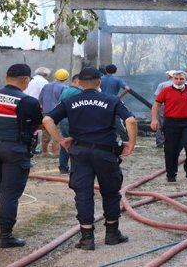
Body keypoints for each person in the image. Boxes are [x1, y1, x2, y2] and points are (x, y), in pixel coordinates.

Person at [43, 67, 137, 250]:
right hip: (105, 153)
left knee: (83, 194)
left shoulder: (70, 100)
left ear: (78, 83)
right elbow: (131, 121)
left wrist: (61, 140)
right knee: (110, 192)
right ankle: (112, 234)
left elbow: (47, 120)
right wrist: (131, 143)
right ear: (99, 82)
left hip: (80, 153)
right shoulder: (112, 100)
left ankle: (87, 238)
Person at [0, 64, 43, 248]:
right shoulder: (28, 101)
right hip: (15, 150)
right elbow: (39, 124)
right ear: (26, 80)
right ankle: (5, 236)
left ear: (6, 77)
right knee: (10, 194)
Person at [150, 71, 187, 182]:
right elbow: (156, 104)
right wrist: (154, 120)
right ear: (172, 79)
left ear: (186, 79)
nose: (178, 81)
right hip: (171, 123)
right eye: (176, 78)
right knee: (170, 149)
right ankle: (171, 174)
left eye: (181, 79)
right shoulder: (165, 90)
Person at [39, 69, 69, 156]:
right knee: (56, 131)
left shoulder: (46, 86)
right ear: (66, 78)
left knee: (46, 131)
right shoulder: (64, 88)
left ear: (55, 76)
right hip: (57, 113)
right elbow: (63, 101)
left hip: (45, 112)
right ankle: (56, 152)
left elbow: (40, 99)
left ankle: (44, 152)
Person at [57, 74, 82, 174]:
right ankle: (76, 167)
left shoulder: (65, 91)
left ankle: (63, 167)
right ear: (76, 82)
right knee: (77, 143)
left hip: (63, 120)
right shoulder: (78, 92)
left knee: (65, 142)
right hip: (73, 121)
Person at [100, 64, 130, 142]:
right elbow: (127, 88)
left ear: (106, 70)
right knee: (117, 120)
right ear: (115, 71)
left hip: (101, 102)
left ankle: (103, 137)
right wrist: (119, 96)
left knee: (102, 119)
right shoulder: (118, 79)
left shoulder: (100, 79)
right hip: (114, 101)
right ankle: (125, 139)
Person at [153, 70, 175, 148]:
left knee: (160, 124)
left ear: (169, 76)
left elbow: (157, 97)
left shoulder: (162, 84)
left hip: (163, 106)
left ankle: (160, 143)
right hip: (175, 107)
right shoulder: (181, 85)